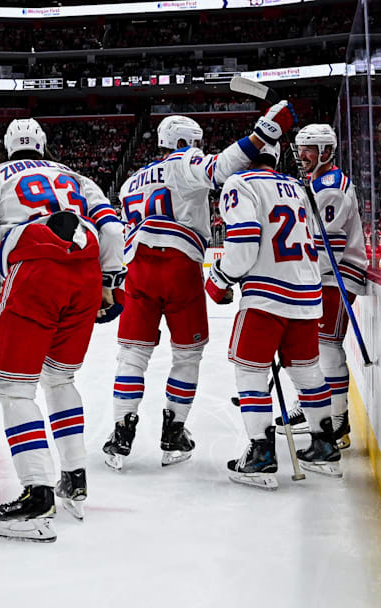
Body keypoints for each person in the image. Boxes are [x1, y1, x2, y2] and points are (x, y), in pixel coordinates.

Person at [103, 103, 296, 471]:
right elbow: (221, 167)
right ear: (185, 141)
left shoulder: (130, 182)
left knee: (132, 355)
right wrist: (264, 132)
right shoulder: (183, 161)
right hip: (180, 265)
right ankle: (173, 431)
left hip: (139, 267)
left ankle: (120, 433)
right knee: (187, 355)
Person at [0, 118, 125, 540]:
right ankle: (74, 477)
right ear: (43, 145)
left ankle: (37, 495)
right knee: (60, 377)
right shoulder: (76, 178)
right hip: (85, 268)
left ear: (7, 146)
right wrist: (109, 280)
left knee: (15, 389)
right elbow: (110, 227)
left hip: (34, 268)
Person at [206, 141, 340, 490]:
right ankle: (325, 445)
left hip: (267, 293)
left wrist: (220, 277)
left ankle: (261, 453)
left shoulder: (241, 184)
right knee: (307, 370)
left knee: (250, 371)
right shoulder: (297, 186)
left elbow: (245, 241)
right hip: (307, 291)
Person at [286, 123, 369, 449]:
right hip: (322, 276)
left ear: (326, 152)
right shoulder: (318, 182)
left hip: (334, 276)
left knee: (327, 347)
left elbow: (327, 246)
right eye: (301, 148)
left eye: (309, 149)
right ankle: (316, 412)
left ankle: (338, 424)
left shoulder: (331, 187)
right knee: (314, 348)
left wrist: (299, 276)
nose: (302, 155)